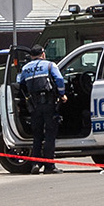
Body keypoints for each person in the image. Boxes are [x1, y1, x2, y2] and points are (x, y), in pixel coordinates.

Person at [16, 44, 67, 173]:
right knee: (50, 134)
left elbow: (20, 85)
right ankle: (49, 166)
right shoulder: (50, 65)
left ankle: (35, 164)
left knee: (37, 135)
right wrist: (62, 94)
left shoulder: (25, 68)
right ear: (43, 54)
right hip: (49, 104)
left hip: (34, 106)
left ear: (31, 56)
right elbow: (59, 79)